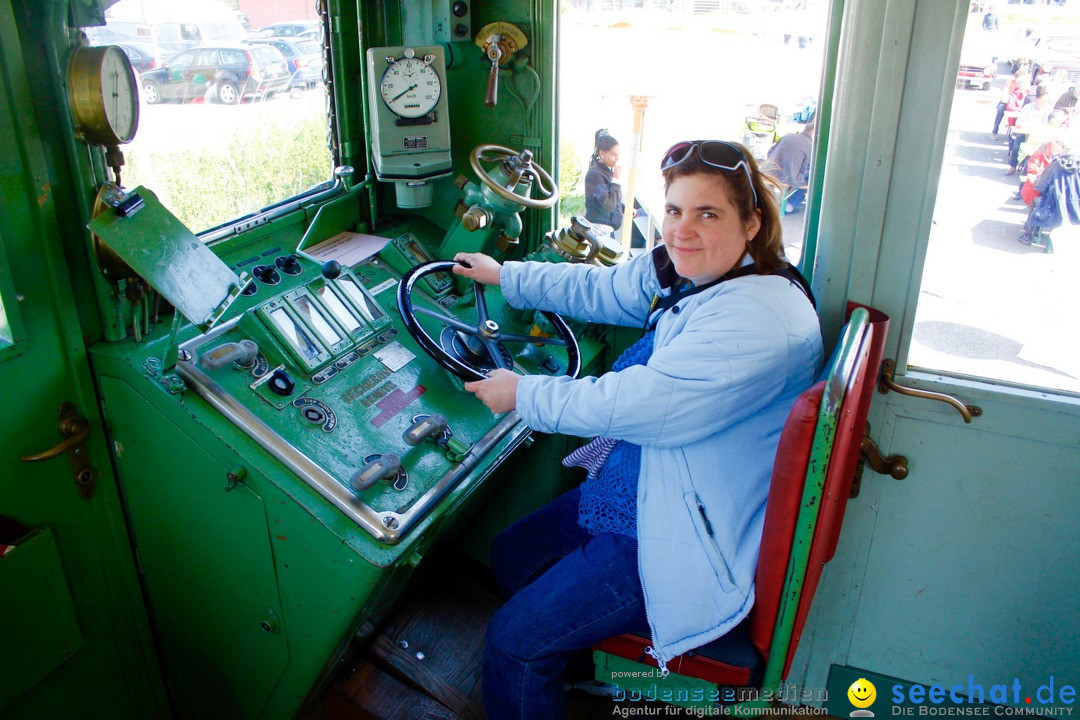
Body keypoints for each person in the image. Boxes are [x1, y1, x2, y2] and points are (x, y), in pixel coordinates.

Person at [452, 139, 824, 719]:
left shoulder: (758, 316)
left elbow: (642, 405)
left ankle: (540, 667)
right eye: (674, 211)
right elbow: (608, 290)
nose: (683, 230)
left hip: (680, 534)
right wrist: (508, 277)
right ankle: (578, 674)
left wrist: (522, 393)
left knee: (512, 644)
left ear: (752, 223)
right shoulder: (700, 271)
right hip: (655, 486)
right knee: (513, 556)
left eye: (709, 214)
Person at [761, 119, 815, 212]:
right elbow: (804, 168)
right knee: (810, 181)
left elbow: (770, 151)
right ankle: (791, 205)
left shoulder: (788, 136)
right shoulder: (810, 146)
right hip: (789, 178)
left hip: (768, 170)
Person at [584, 129, 625, 231]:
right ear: (602, 153)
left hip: (607, 228)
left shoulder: (605, 171)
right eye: (614, 155)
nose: (617, 158)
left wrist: (625, 209)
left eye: (618, 154)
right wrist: (615, 180)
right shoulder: (595, 175)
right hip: (599, 230)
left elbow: (610, 199)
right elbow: (608, 205)